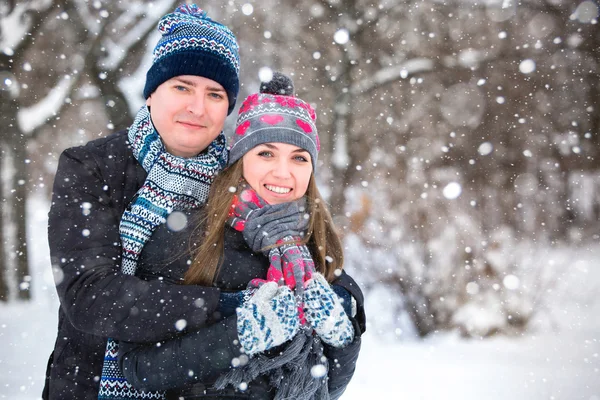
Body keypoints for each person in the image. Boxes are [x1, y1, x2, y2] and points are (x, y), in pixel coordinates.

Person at [115, 73, 366, 399]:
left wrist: (343, 338)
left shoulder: (316, 249)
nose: (282, 172)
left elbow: (327, 389)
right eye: (266, 153)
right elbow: (137, 368)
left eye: (299, 158)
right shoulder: (186, 239)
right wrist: (241, 335)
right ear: (240, 160)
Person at [43, 4, 241, 399]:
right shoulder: (92, 167)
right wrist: (222, 306)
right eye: (182, 87)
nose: (197, 107)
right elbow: (90, 297)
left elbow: (298, 250)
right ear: (152, 93)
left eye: (215, 94)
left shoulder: (240, 181)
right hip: (90, 386)